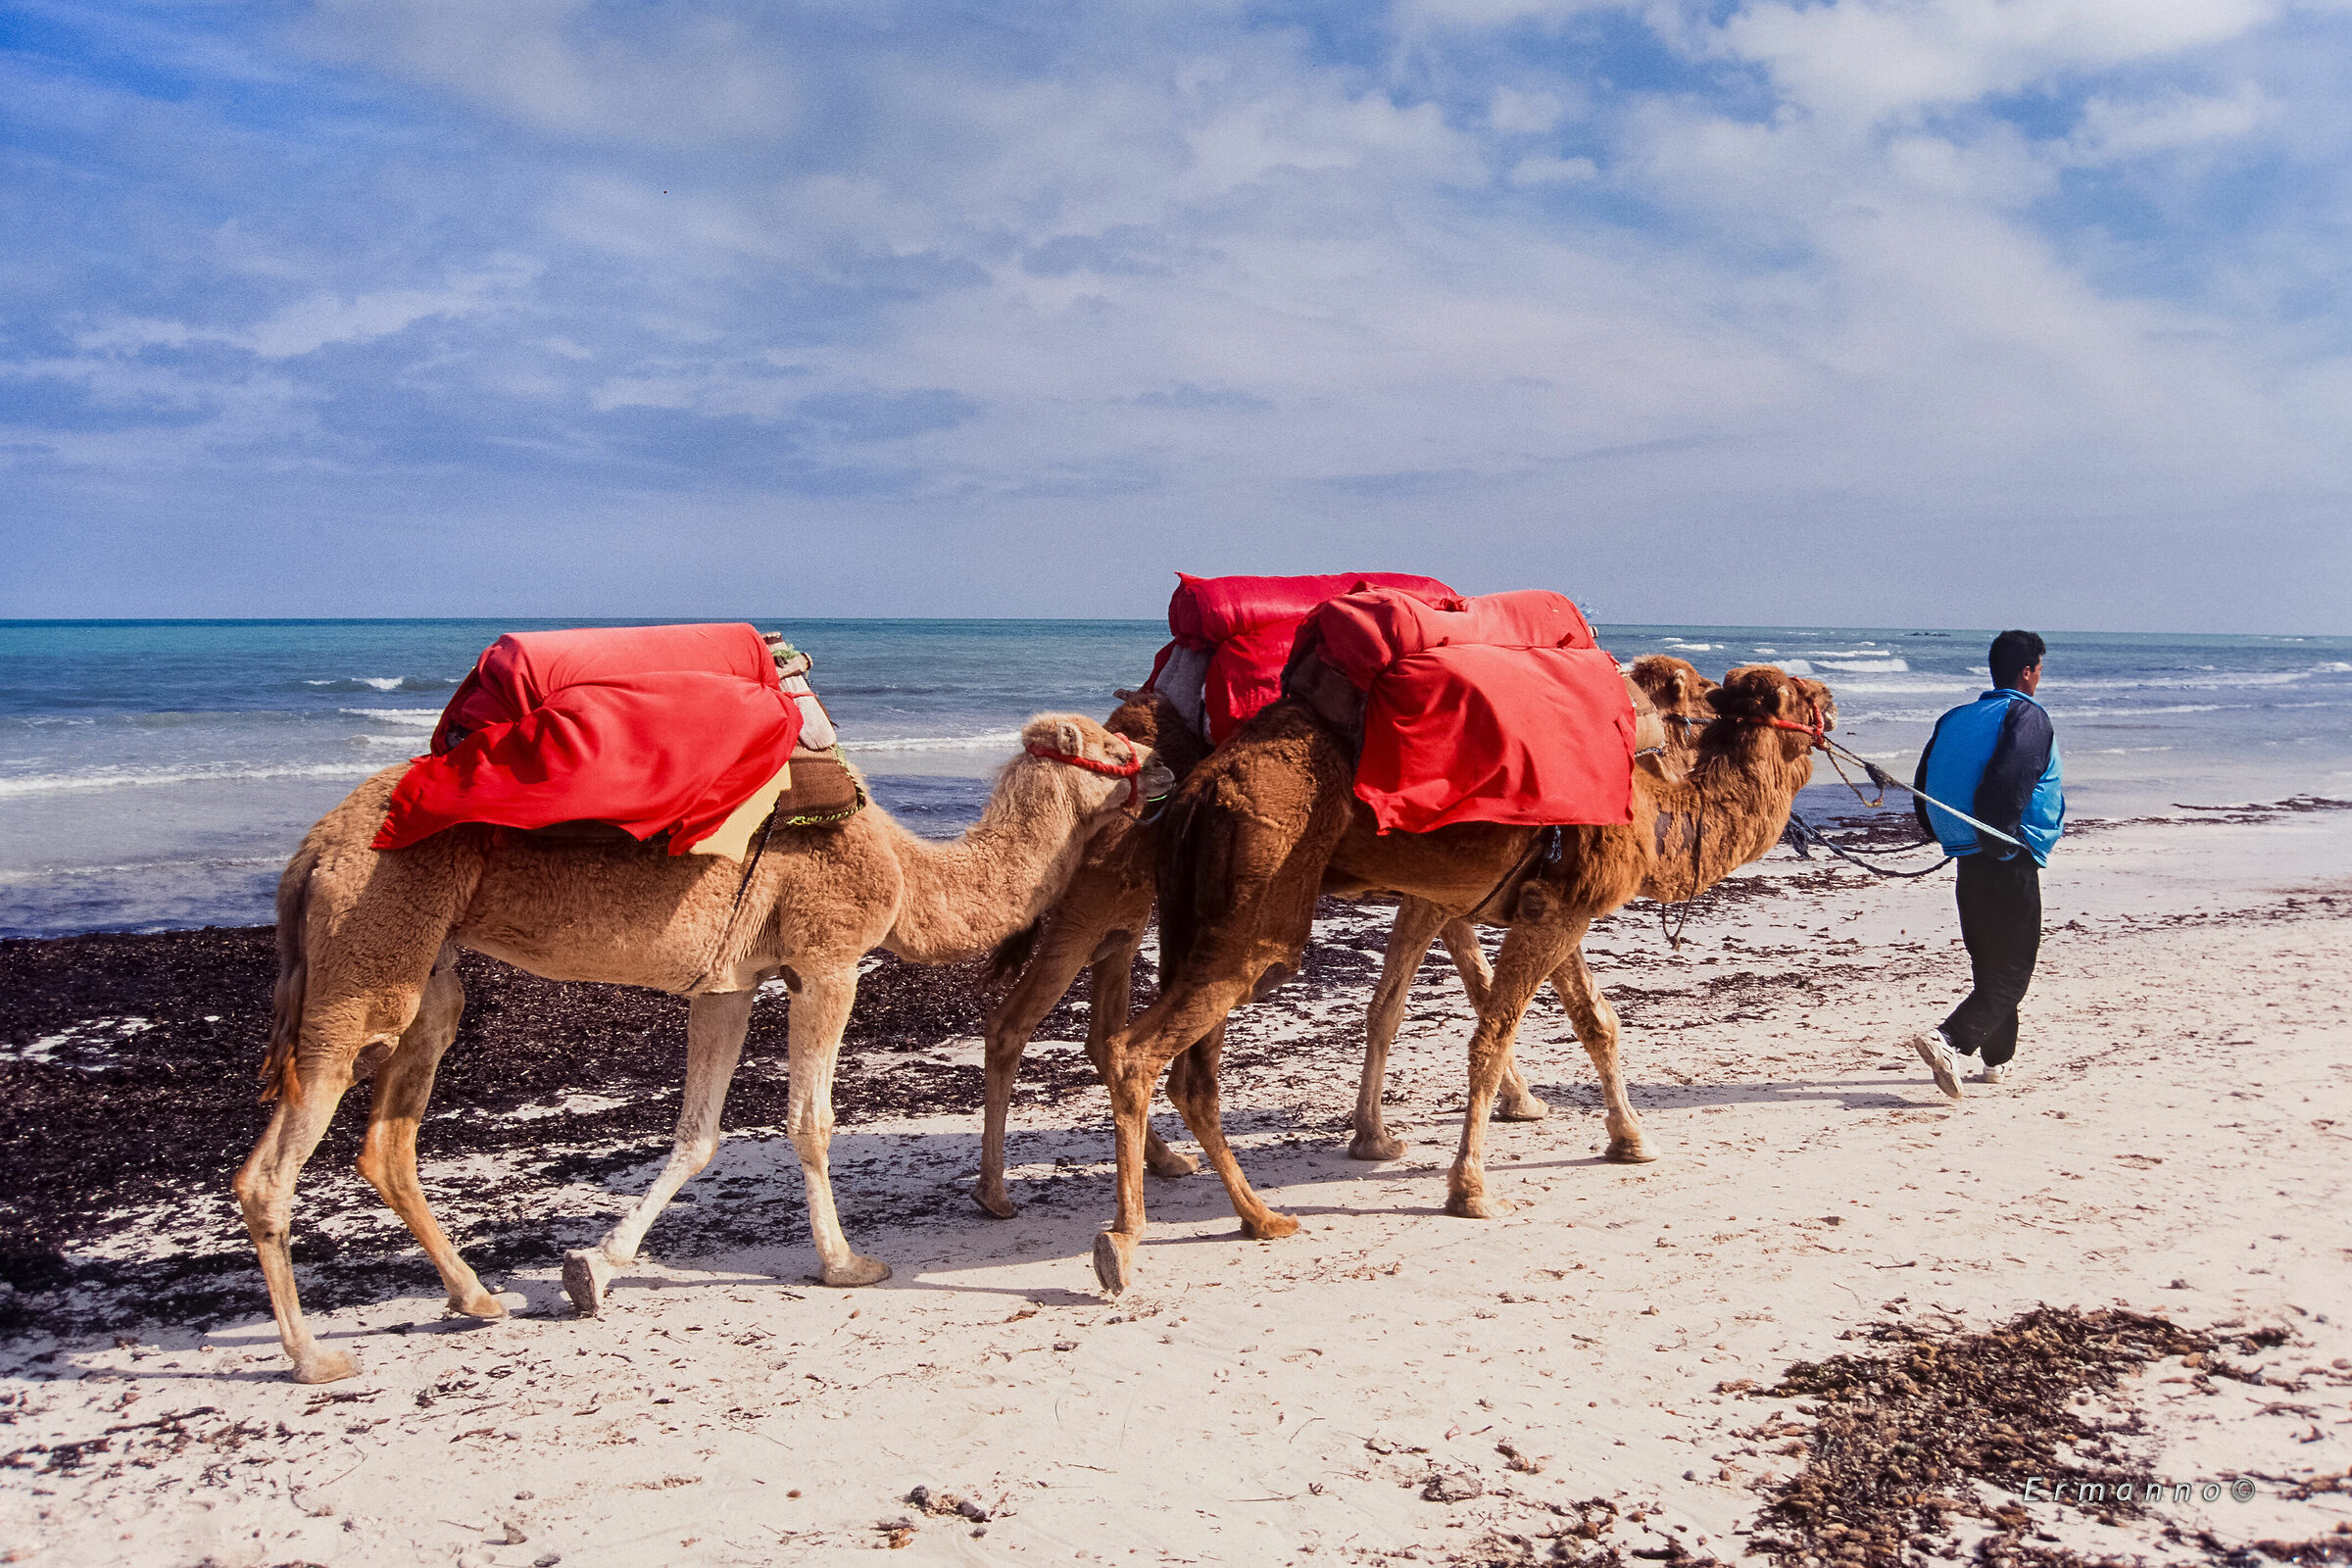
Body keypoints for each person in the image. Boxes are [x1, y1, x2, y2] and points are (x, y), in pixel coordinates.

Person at [1907, 630, 2065, 1099]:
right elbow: (2012, 775)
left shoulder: (1954, 717)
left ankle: (1997, 1061)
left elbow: (1924, 781)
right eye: (2039, 669)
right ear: (2028, 671)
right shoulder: (2027, 715)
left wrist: (1943, 834)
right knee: (2013, 971)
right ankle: (1949, 1038)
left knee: (1991, 964)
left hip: (1968, 857)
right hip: (2008, 853)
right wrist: (1999, 842)